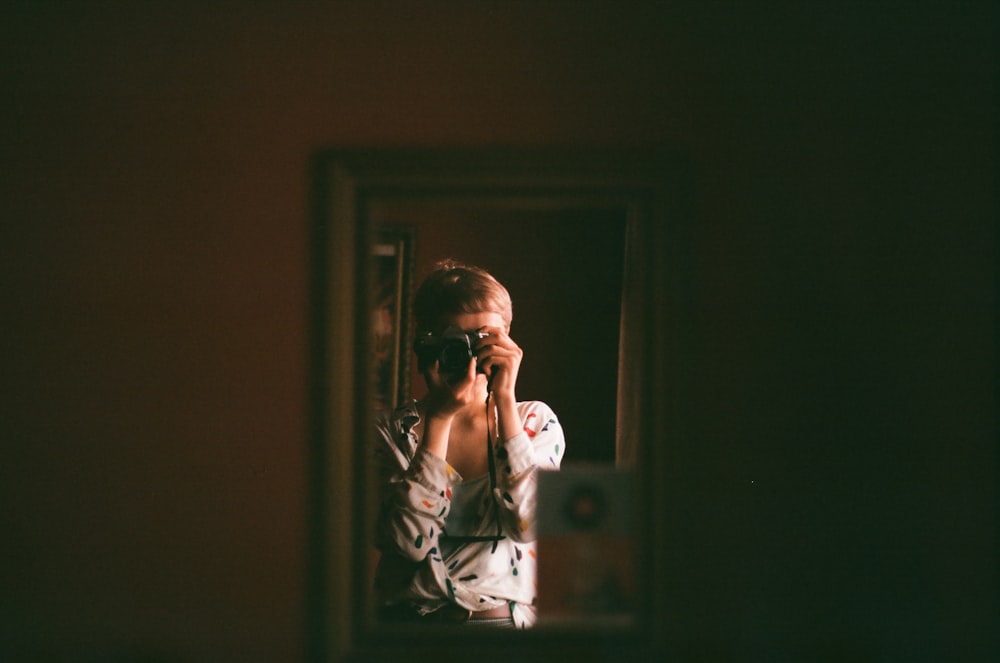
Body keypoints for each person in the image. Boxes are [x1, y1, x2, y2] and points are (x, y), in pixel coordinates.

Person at [373, 259, 565, 628]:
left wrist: (505, 402)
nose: (472, 356)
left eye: (484, 339)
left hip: (499, 628)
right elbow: (409, 542)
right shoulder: (389, 431)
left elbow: (527, 526)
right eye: (456, 342)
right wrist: (440, 421)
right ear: (428, 344)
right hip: (406, 628)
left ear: (508, 339)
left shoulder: (534, 422)